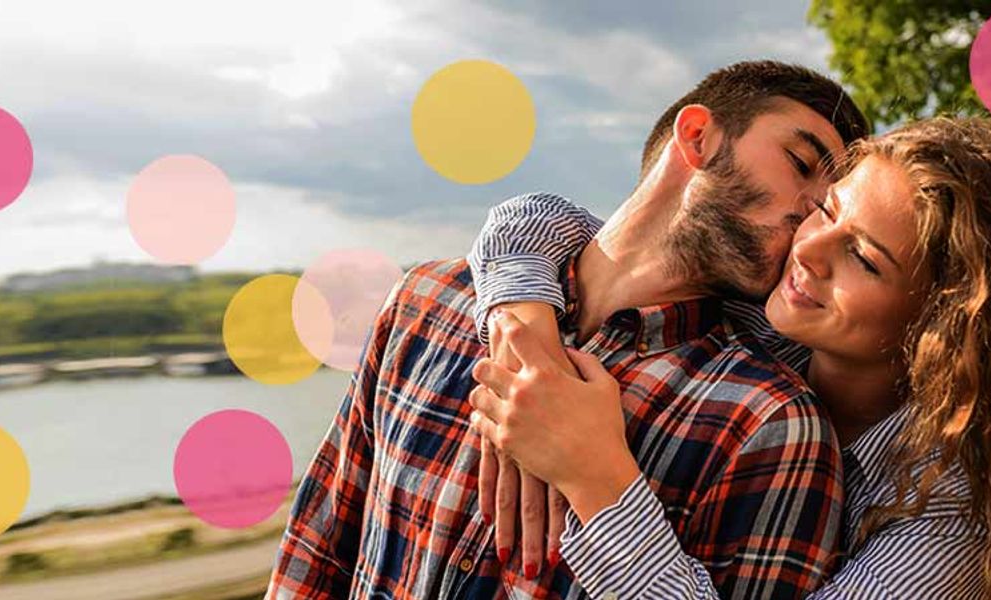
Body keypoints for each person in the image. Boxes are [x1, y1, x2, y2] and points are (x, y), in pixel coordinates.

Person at [266, 60, 868, 599]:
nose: (814, 212)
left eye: (831, 200)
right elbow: (318, 551)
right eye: (802, 163)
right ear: (697, 137)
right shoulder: (423, 302)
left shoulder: (772, 426)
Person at [466, 117, 991, 598]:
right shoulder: (765, 320)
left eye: (863, 259)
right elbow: (539, 224)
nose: (807, 250)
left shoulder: (951, 516)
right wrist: (528, 344)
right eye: (828, 210)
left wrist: (597, 478)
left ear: (949, 321)